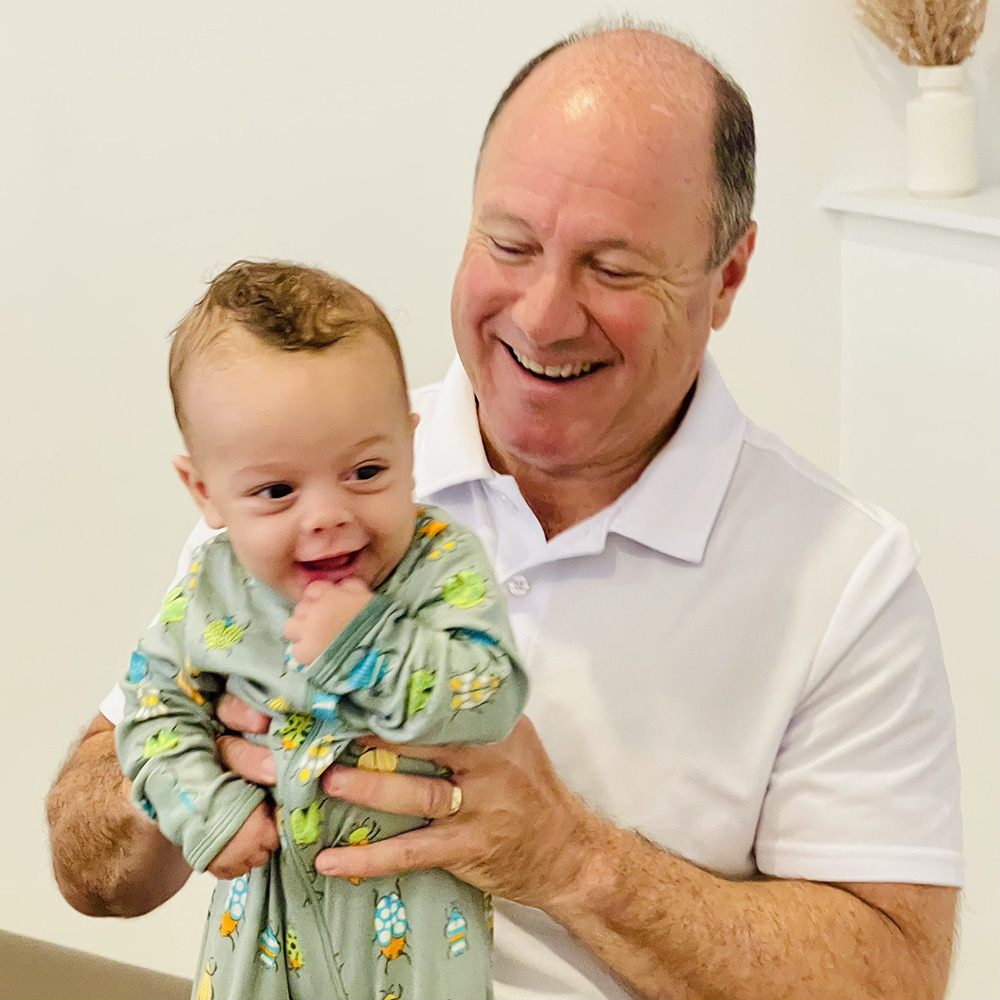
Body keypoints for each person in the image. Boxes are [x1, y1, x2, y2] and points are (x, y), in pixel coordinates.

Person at [46, 19, 962, 1000]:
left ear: (725, 275)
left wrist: (570, 860)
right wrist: (180, 776)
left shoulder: (845, 578)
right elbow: (85, 858)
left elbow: (889, 978)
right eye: (510, 243)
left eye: (611, 269)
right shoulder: (314, 482)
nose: (539, 314)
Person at [112, 259, 527, 999]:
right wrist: (208, 805)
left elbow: (490, 692)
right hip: (262, 927)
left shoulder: (441, 564)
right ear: (204, 491)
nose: (328, 514)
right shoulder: (214, 589)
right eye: (276, 490)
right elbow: (151, 709)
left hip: (417, 933)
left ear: (410, 444)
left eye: (366, 471)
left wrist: (365, 643)